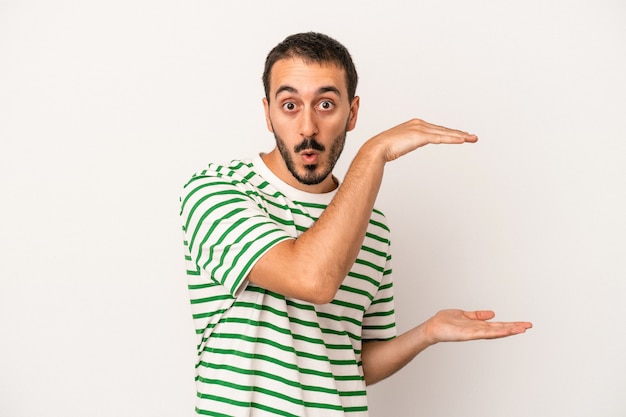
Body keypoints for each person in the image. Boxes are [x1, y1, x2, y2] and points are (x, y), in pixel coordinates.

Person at [180, 32, 532, 416]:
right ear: (268, 113)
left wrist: (427, 333)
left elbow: (351, 362)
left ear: (352, 113)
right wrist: (373, 152)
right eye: (290, 105)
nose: (308, 127)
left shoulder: (372, 225)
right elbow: (313, 279)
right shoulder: (216, 192)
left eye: (326, 104)